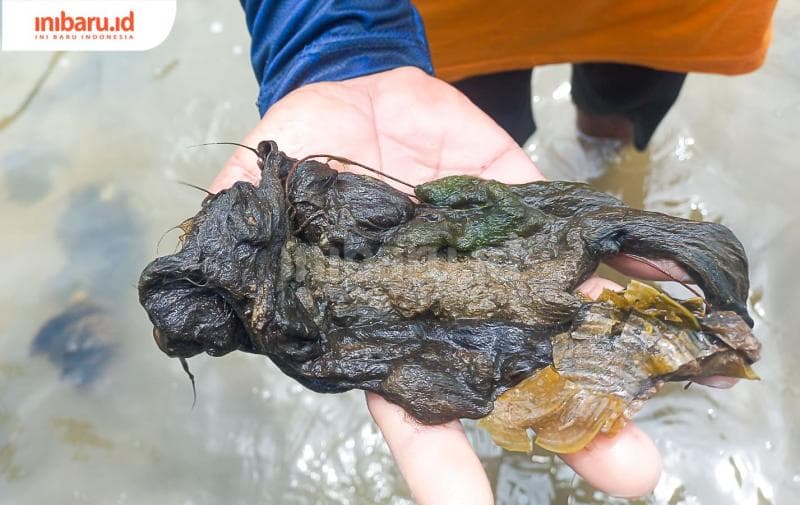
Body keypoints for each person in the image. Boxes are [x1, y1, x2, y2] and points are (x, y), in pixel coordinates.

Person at [211, 2, 776, 503]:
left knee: (621, 103)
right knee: (491, 111)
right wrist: (347, 47)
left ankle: (600, 146)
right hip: (457, 22)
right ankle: (599, 149)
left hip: (667, 12)